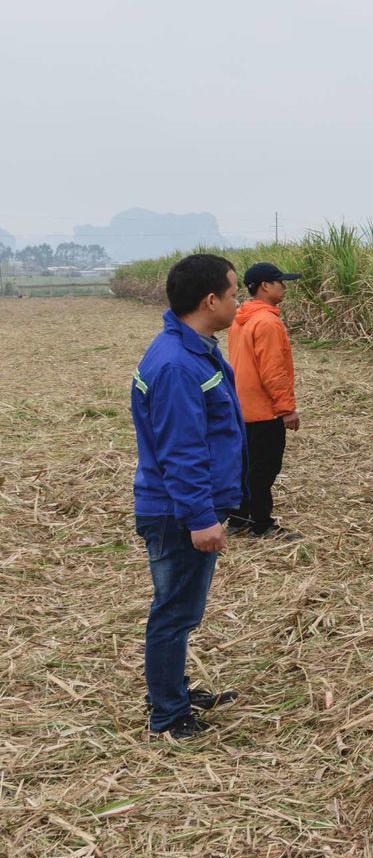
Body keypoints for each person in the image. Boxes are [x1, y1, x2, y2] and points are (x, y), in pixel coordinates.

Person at [130, 253, 245, 740]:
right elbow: (182, 452)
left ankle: (170, 689)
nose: (239, 301)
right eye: (235, 292)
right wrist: (201, 517)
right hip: (176, 512)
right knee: (174, 613)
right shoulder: (178, 365)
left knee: (177, 610)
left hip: (178, 506)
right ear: (210, 299)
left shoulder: (190, 349)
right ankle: (169, 715)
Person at [225, 261, 303, 540]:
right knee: (263, 470)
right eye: (280, 281)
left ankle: (238, 519)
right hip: (264, 411)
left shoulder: (239, 319)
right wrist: (286, 409)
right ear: (265, 286)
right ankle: (261, 524)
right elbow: (273, 371)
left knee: (245, 467)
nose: (284, 287)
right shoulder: (268, 322)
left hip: (242, 408)